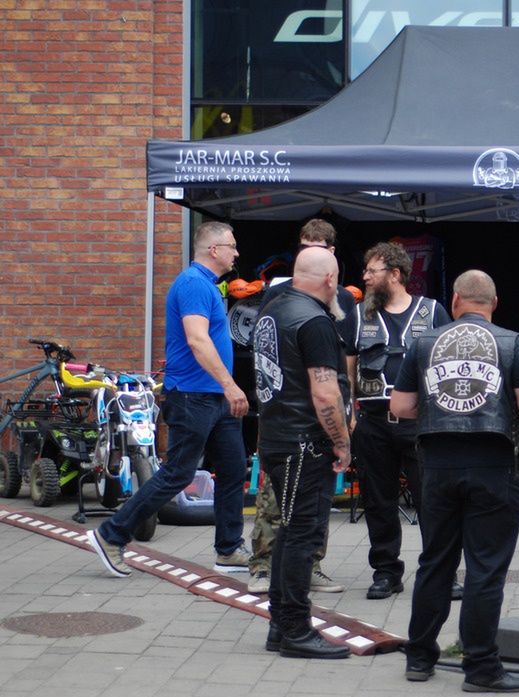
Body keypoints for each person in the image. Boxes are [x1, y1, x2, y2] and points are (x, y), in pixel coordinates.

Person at [391, 270, 519, 691]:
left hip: (437, 467)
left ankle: (419, 657)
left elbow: (401, 406)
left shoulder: (423, 342)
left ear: (456, 300)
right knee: (485, 568)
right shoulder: (511, 343)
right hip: (493, 465)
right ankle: (480, 667)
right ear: (494, 303)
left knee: (435, 562)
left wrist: (438, 406)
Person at [87, 221, 250, 577]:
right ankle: (110, 535)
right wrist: (230, 385)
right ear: (214, 250)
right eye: (232, 246)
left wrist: (225, 390)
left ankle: (229, 549)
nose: (236, 253)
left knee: (233, 470)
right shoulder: (193, 284)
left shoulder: (207, 285)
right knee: (178, 473)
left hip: (215, 398)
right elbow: (197, 340)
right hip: (194, 397)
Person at [251, 246, 351, 659]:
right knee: (302, 535)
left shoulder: (272, 310)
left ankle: (281, 627)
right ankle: (295, 628)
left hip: (277, 439)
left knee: (291, 533)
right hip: (304, 444)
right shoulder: (314, 320)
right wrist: (342, 442)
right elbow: (325, 392)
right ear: (329, 280)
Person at [348, 241, 451, 600]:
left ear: (394, 274)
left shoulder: (433, 311)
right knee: (378, 501)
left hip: (420, 422)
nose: (365, 276)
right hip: (373, 421)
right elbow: (347, 370)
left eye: (371, 270)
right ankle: (386, 572)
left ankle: (441, 573)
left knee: (432, 500)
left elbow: (448, 363)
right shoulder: (358, 315)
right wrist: (349, 416)